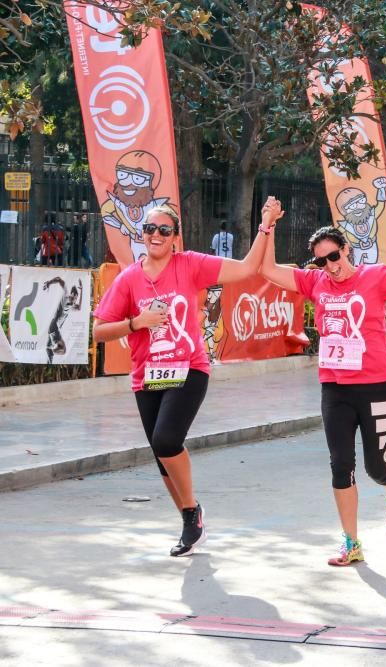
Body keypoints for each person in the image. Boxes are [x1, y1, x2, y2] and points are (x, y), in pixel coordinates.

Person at [92, 199, 280, 557]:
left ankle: (192, 510)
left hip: (189, 368)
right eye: (150, 229)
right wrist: (137, 323)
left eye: (164, 229)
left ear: (175, 237)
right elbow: (99, 332)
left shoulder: (189, 264)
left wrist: (265, 225)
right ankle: (189, 522)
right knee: (163, 455)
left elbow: (246, 268)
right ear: (142, 234)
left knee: (166, 440)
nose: (156, 235)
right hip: (146, 376)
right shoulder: (129, 277)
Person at [259, 208, 386, 567]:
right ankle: (351, 542)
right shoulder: (316, 283)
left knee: (377, 468)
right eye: (321, 261)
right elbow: (268, 271)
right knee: (340, 464)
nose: (330, 266)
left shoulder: (376, 277)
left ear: (346, 250)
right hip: (334, 386)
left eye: (334, 256)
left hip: (375, 385)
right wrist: (267, 226)